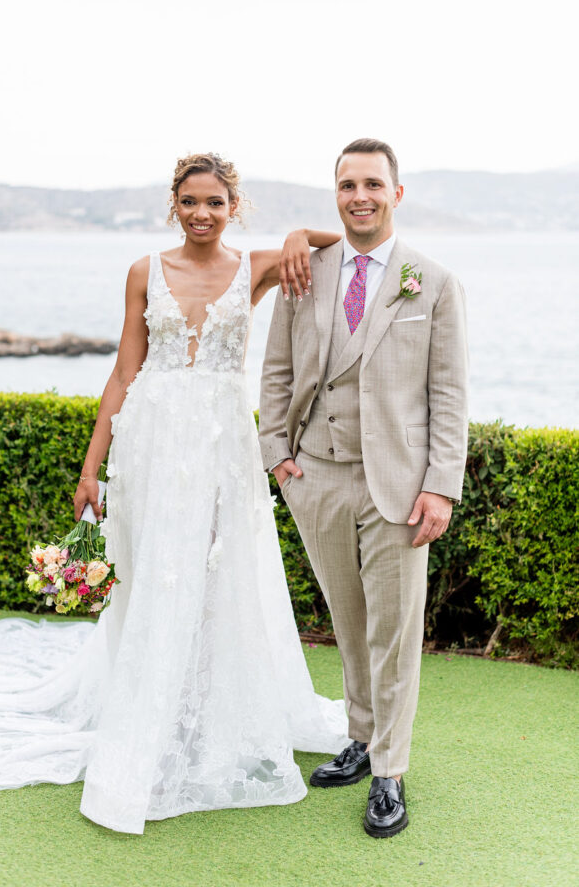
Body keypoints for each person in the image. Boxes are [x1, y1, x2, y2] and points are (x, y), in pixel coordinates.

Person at [0, 152, 349, 835]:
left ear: (233, 207)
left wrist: (298, 234)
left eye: (215, 202)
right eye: (189, 201)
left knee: (220, 571)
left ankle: (210, 710)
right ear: (173, 204)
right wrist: (90, 470)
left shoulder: (258, 266)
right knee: (155, 573)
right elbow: (123, 372)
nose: (201, 213)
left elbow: (343, 240)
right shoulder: (145, 271)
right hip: (149, 440)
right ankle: (151, 708)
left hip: (222, 445)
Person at [258, 137, 469, 838]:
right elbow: (277, 371)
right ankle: (359, 735)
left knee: (395, 631)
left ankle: (389, 771)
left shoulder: (433, 282)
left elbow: (449, 396)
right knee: (348, 621)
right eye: (348, 185)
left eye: (373, 184)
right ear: (336, 194)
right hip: (315, 477)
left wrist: (440, 486)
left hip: (399, 488)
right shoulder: (306, 272)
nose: (361, 196)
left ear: (396, 193)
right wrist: (277, 456)